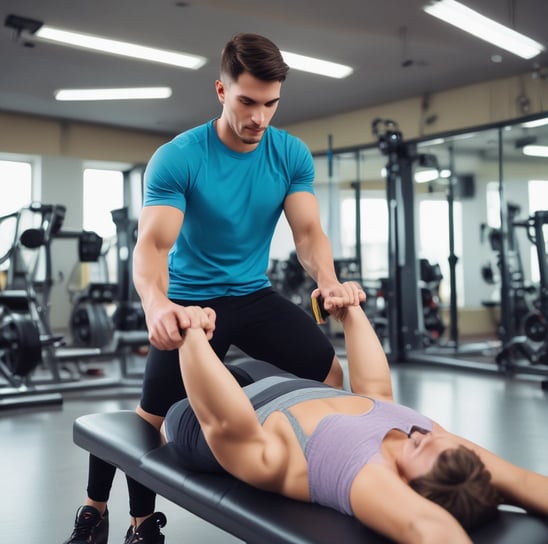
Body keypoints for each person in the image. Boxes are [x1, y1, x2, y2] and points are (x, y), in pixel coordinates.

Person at [63, 32, 364, 544]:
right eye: (248, 101)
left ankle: (319, 485)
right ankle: (108, 514)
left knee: (328, 371)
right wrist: (157, 305)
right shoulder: (179, 157)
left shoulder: (289, 154)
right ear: (222, 92)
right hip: (190, 301)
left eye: (271, 104)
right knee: (151, 417)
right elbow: (153, 247)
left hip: (253, 294)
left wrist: (329, 281)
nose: (259, 118)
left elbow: (309, 234)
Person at [162, 296, 548, 544]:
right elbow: (376, 390)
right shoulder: (441, 450)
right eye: (435, 438)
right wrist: (352, 313)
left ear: (409, 489)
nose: (423, 433)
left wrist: (192, 334)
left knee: (167, 393)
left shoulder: (366, 477)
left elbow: (429, 530)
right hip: (274, 379)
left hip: (208, 419)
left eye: (420, 446)